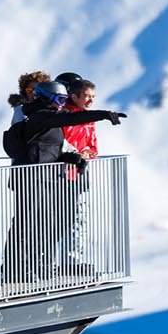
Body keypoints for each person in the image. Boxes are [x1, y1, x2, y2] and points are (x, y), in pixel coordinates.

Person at [1, 79, 125, 281]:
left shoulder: (51, 120)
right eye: (59, 99)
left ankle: (35, 265)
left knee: (43, 224)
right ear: (46, 99)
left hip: (46, 177)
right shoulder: (40, 116)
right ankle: (15, 269)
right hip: (30, 176)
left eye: (64, 100)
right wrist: (103, 115)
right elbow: (71, 119)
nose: (61, 104)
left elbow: (49, 149)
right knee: (26, 223)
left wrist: (72, 157)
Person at [59, 78, 101, 274]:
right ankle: (59, 261)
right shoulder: (63, 116)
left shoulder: (89, 118)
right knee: (60, 218)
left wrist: (86, 154)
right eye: (86, 96)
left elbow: (93, 148)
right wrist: (75, 154)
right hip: (60, 174)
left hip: (80, 174)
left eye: (93, 97)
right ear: (74, 96)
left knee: (79, 218)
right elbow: (59, 143)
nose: (90, 101)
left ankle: (75, 260)